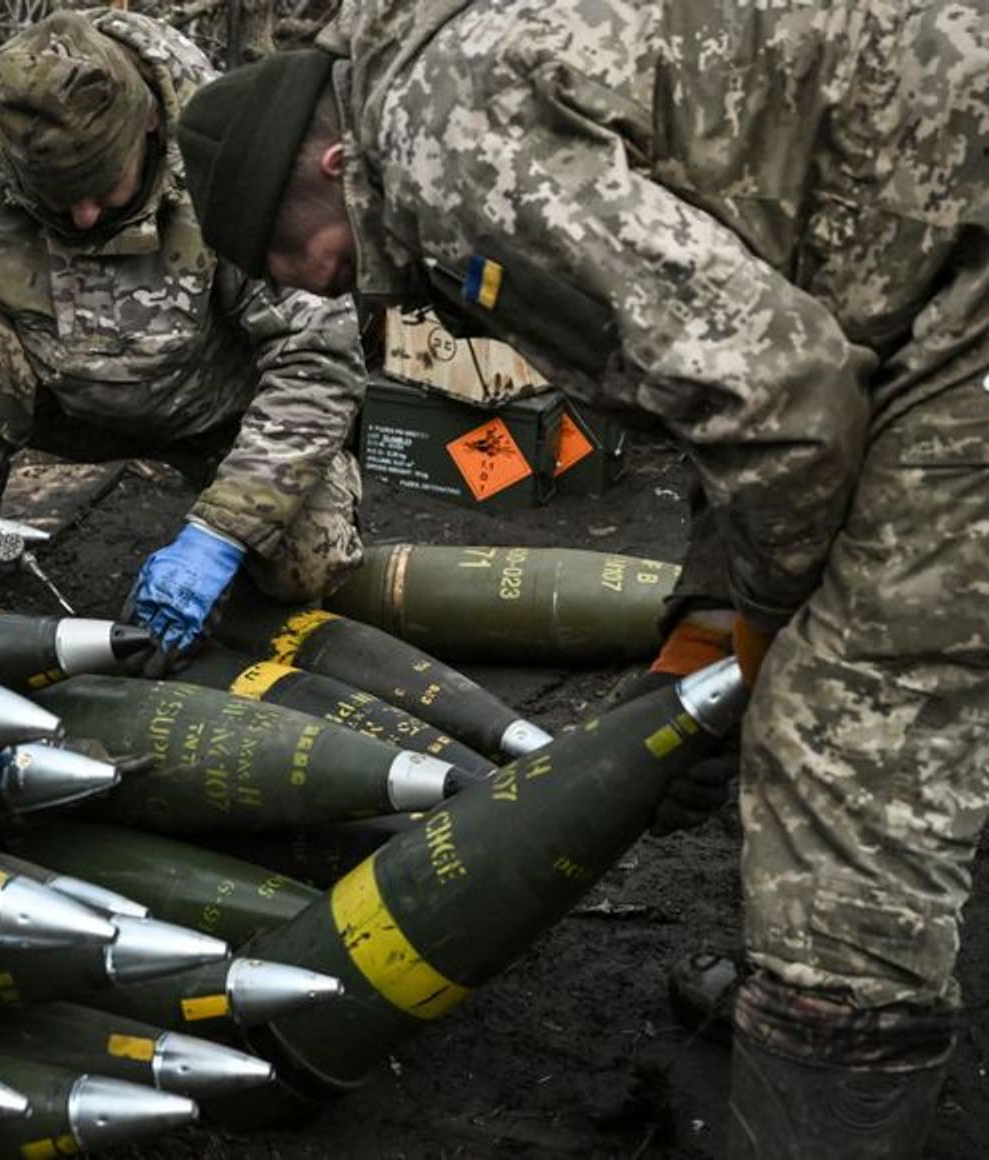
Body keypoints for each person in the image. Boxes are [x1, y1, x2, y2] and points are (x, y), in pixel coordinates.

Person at [172, 2, 989, 1156]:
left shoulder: (441, 151)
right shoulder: (455, 67)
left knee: (844, 747)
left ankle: (832, 1045)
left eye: (285, 251)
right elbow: (733, 373)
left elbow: (784, 404)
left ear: (327, 162)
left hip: (959, 296)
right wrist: (709, 613)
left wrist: (769, 618)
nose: (314, 284)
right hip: (926, 247)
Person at [0, 8, 366, 657]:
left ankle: (225, 629)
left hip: (220, 411)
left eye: (100, 185)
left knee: (311, 560)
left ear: (149, 126)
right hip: (57, 397)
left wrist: (222, 533)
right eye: (55, 195)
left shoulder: (229, 157)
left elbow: (318, 357)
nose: (83, 214)